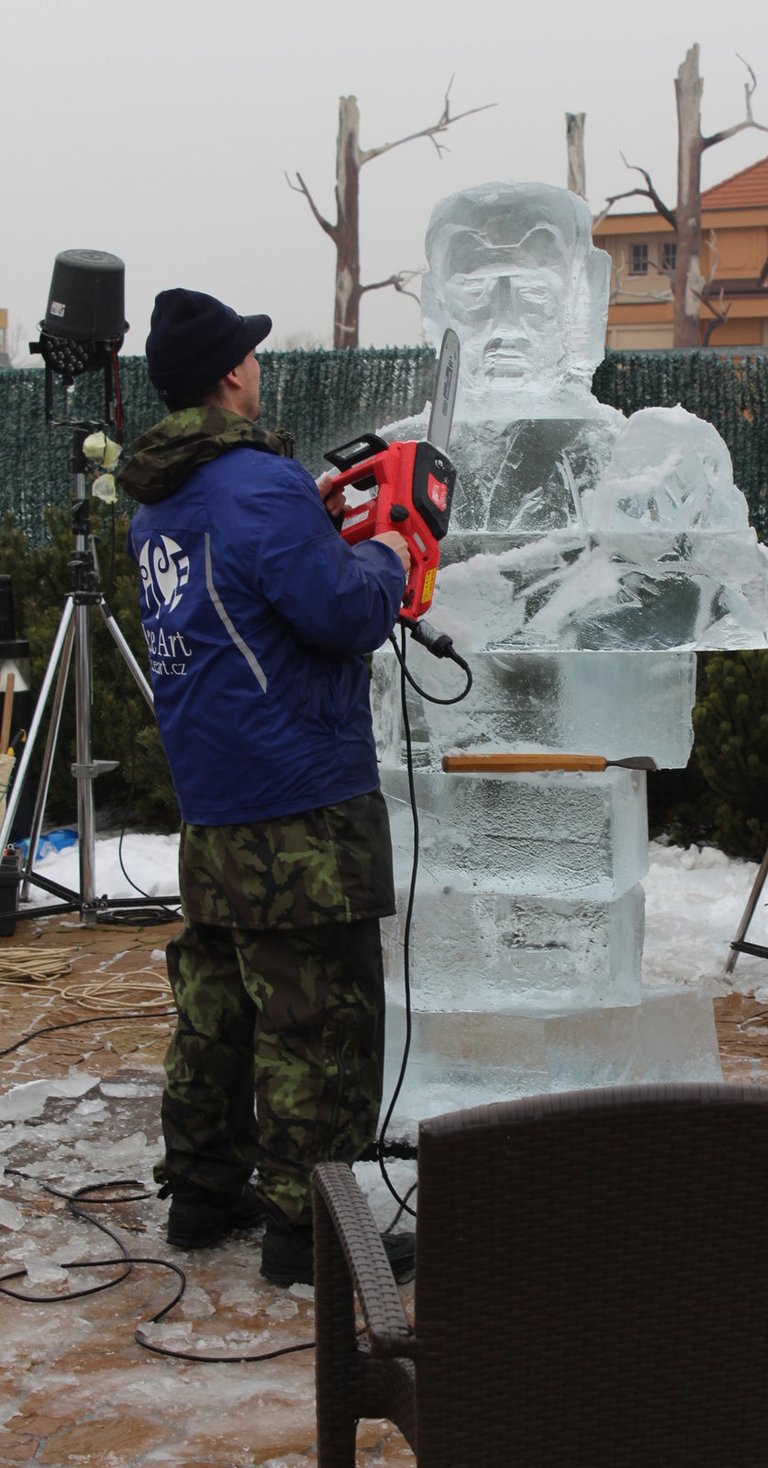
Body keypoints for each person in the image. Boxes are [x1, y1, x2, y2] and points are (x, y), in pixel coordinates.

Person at [119, 287, 412, 1287]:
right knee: (320, 1013)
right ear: (231, 375)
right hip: (300, 798)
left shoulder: (158, 502)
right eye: (251, 357)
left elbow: (236, 600)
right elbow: (339, 611)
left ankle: (204, 1191)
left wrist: (317, 531)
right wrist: (388, 552)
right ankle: (311, 1229)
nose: (259, 370)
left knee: (220, 1002)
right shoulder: (260, 485)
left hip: (213, 798)